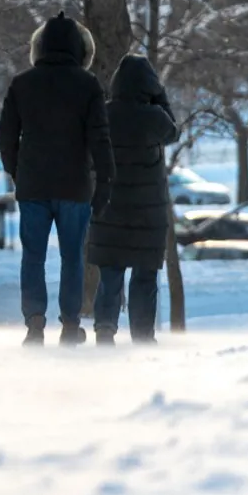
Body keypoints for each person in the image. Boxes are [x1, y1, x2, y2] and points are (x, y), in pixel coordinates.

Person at [0, 12, 114, 346]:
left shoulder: (22, 83)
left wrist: (17, 171)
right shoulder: (88, 85)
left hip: (33, 184)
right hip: (74, 185)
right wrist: (105, 180)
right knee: (72, 257)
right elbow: (99, 138)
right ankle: (70, 325)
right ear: (80, 49)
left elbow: (6, 135)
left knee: (33, 256)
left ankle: (35, 323)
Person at [86, 55, 180, 345]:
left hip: (109, 210)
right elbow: (173, 132)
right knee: (144, 276)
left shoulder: (103, 114)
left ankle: (105, 329)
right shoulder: (154, 117)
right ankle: (142, 336)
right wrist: (160, 97)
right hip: (147, 214)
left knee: (110, 275)